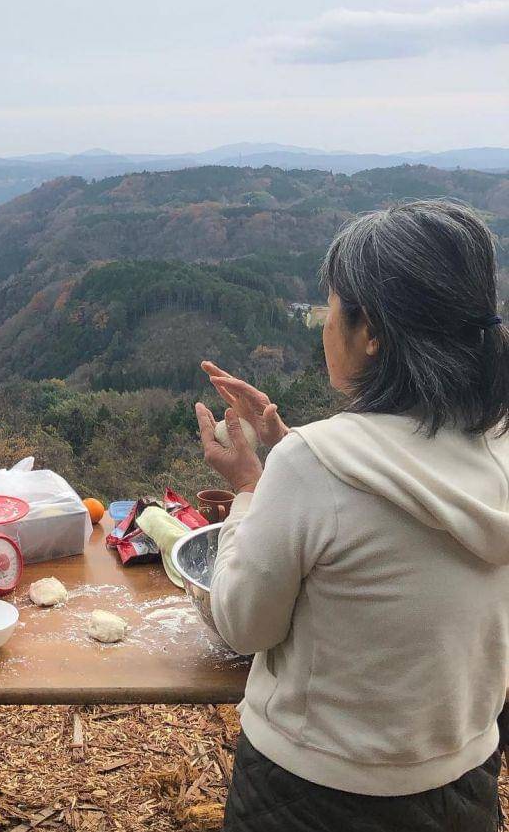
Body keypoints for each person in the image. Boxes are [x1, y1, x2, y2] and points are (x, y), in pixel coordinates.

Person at [195, 200, 509, 831]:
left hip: (313, 791)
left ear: (372, 333)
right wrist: (290, 451)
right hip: (462, 780)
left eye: (334, 306)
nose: (323, 325)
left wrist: (253, 484)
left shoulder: (313, 465)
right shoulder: (498, 444)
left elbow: (244, 624)